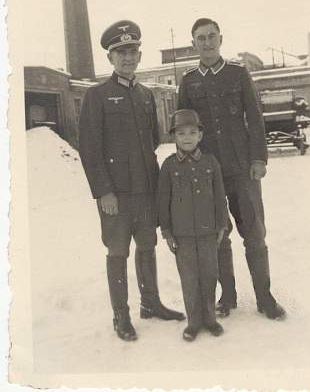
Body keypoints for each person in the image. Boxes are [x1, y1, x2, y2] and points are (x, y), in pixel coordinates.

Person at [79, 20, 184, 342]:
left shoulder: (145, 95)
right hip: (117, 194)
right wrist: (104, 192)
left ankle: (150, 303)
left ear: (139, 56)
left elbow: (151, 140)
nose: (128, 58)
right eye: (120, 52)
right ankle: (120, 316)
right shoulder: (97, 96)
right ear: (110, 58)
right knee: (117, 251)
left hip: (145, 188)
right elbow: (90, 149)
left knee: (148, 246)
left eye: (132, 51)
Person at [178, 18, 286, 320]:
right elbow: (183, 127)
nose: (207, 42)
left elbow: (255, 117)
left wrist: (259, 159)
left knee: (254, 233)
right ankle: (228, 296)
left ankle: (265, 297)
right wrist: (188, 168)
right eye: (201, 38)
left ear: (221, 39)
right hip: (208, 172)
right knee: (218, 235)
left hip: (241, 169)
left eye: (212, 36)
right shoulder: (188, 81)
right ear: (193, 44)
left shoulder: (238, 74)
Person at [158, 109, 227, 341]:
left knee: (209, 275)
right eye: (181, 133)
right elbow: (163, 201)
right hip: (182, 235)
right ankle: (193, 322)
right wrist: (167, 232)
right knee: (189, 278)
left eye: (192, 132)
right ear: (173, 137)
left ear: (200, 136)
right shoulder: (168, 166)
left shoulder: (211, 162)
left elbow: (220, 196)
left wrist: (221, 226)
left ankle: (210, 319)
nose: (187, 137)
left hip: (209, 232)